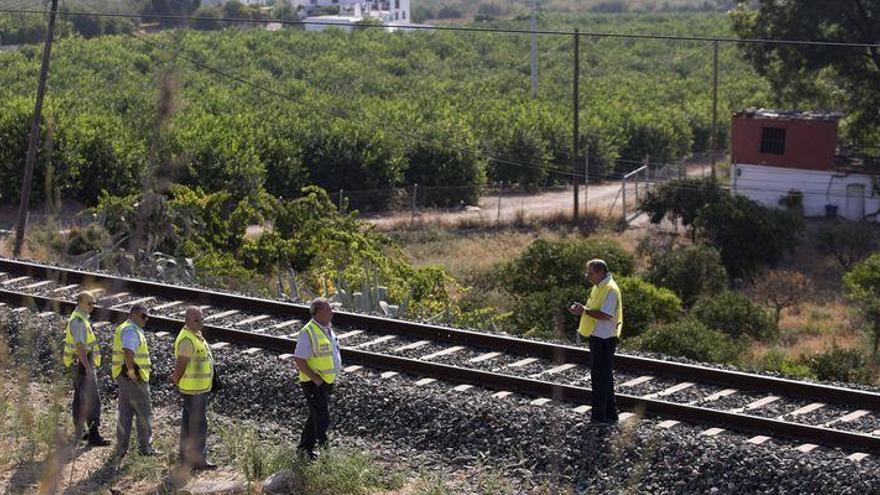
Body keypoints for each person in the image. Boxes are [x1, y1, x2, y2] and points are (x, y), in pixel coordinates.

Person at [568, 259, 623, 424]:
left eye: (591, 273)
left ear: (600, 272)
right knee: (603, 376)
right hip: (598, 336)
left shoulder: (610, 290)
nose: (588, 276)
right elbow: (594, 310)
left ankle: (599, 416)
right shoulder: (599, 287)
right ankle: (610, 414)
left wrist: (583, 310)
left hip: (605, 338)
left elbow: (606, 315)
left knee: (600, 378)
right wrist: (582, 310)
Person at [293, 297, 342, 460]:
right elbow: (299, 359)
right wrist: (315, 379)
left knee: (315, 415)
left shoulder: (327, 328)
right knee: (322, 417)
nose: (332, 312)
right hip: (314, 383)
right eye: (329, 310)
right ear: (319, 312)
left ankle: (304, 450)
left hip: (326, 381)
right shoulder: (308, 331)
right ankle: (326, 454)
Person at [169, 306, 217, 470]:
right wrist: (175, 379)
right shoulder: (187, 340)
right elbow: (181, 363)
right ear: (187, 321)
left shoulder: (194, 336)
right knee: (199, 424)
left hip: (197, 389)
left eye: (202, 319)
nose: (200, 322)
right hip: (194, 390)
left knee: (188, 423)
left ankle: (185, 456)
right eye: (197, 320)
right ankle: (198, 459)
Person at [111, 303, 160, 457]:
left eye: (147, 316)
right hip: (134, 378)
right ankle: (146, 448)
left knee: (125, 412)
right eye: (143, 316)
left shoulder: (127, 328)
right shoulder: (131, 330)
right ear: (133, 315)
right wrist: (132, 372)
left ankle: (121, 448)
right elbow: (128, 352)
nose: (146, 319)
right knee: (143, 412)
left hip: (124, 376)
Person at [63, 291, 110, 447]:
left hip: (78, 363)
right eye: (89, 303)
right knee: (92, 398)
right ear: (81, 302)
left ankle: (80, 431)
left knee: (79, 397)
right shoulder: (78, 322)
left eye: (93, 303)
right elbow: (80, 346)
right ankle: (93, 435)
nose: (92, 306)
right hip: (82, 363)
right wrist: (87, 367)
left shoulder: (81, 319)